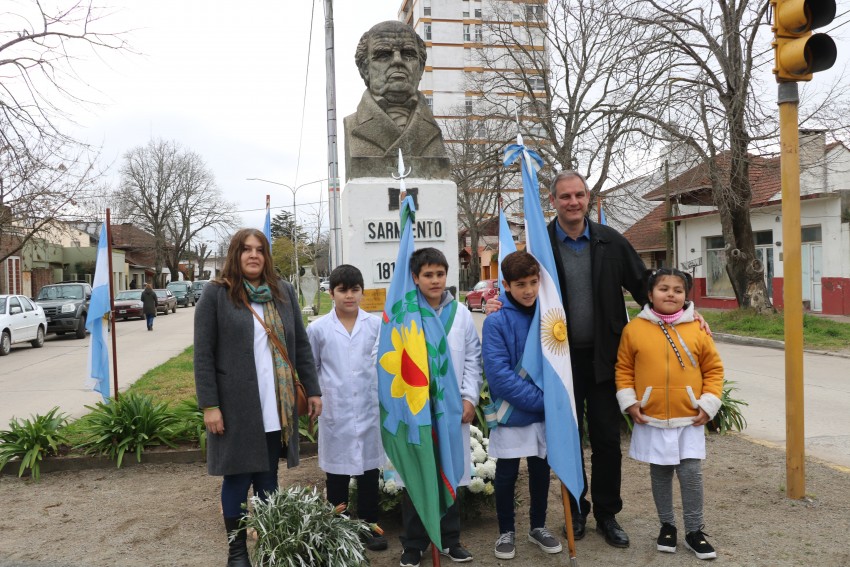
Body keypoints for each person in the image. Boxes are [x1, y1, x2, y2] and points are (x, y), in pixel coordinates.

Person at [194, 228, 322, 567]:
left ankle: (270, 548)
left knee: (268, 477)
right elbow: (203, 354)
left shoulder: (283, 292)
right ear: (235, 255)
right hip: (234, 406)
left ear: (266, 256)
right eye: (246, 249)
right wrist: (210, 405)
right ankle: (237, 553)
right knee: (237, 477)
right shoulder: (216, 294)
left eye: (260, 250)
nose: (253, 255)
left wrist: (313, 390)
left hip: (275, 403)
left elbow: (300, 346)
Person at [615, 268, 723, 560]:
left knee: (691, 475)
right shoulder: (634, 329)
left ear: (686, 296)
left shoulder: (698, 328)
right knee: (660, 474)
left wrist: (708, 403)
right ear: (650, 294)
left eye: (678, 290)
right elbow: (624, 369)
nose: (671, 294)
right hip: (651, 416)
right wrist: (630, 402)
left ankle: (694, 531)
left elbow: (714, 370)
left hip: (689, 416)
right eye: (664, 289)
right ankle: (667, 526)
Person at [397, 247, 482, 567]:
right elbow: (384, 355)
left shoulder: (460, 314)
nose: (435, 280)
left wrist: (469, 398)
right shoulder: (404, 314)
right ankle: (414, 543)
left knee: (450, 471)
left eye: (440, 274)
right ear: (415, 278)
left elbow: (473, 359)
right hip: (415, 412)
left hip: (451, 412)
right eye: (428, 275)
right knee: (416, 475)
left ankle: (449, 539)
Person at [482, 251, 563, 560]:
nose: (528, 290)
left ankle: (537, 526)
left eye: (533, 282)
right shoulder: (496, 321)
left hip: (543, 414)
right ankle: (506, 530)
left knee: (541, 471)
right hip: (513, 411)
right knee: (507, 473)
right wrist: (544, 403)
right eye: (520, 284)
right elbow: (500, 377)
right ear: (506, 285)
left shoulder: (551, 315)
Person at [306, 264, 387, 552]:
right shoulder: (318, 329)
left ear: (362, 292)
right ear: (331, 293)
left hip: (368, 407)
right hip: (335, 409)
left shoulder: (376, 326)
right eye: (342, 290)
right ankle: (337, 529)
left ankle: (369, 525)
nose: (349, 296)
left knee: (369, 472)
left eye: (355, 290)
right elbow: (311, 367)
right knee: (337, 475)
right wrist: (319, 394)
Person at [344, 20, 449, 180]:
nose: (398, 61)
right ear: (365, 69)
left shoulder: (432, 128)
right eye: (383, 55)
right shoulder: (352, 125)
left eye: (408, 54)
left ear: (421, 68)